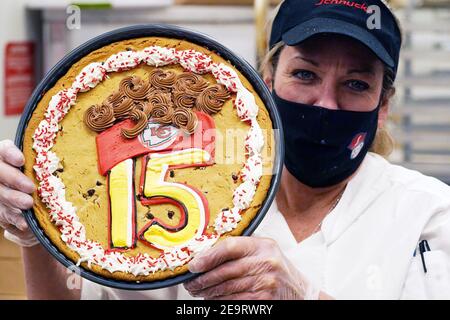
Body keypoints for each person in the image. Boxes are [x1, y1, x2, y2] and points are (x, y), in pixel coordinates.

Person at [1, 0, 450, 300]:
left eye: (356, 84)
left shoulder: (426, 213)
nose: (325, 104)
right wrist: (35, 228)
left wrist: (299, 295)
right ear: (268, 79)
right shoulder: (191, 189)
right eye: (306, 74)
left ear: (383, 105)